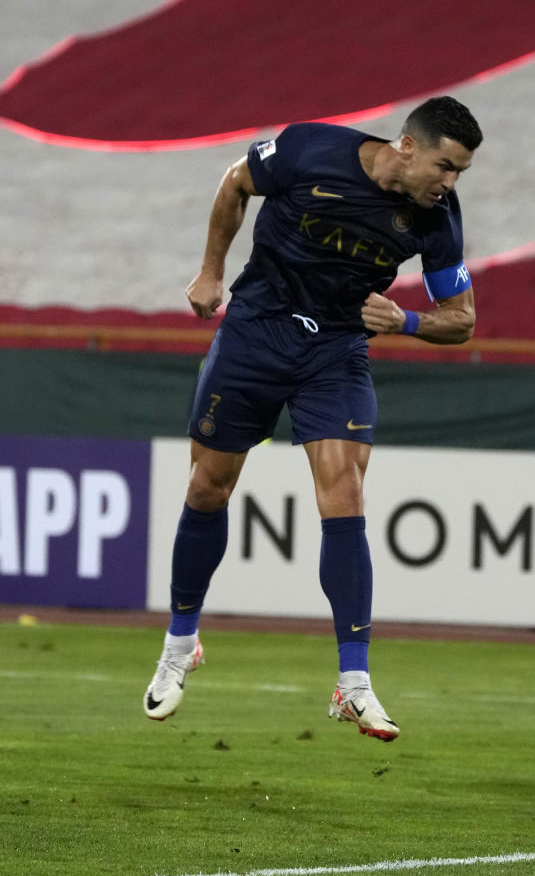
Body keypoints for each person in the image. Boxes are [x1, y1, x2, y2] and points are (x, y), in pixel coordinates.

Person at [143, 96, 483, 741]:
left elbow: (462, 319)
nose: (450, 183)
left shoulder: (437, 219)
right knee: (206, 488)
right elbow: (236, 181)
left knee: (345, 492)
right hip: (255, 333)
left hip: (334, 351)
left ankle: (353, 684)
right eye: (446, 166)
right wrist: (212, 270)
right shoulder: (310, 149)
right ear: (408, 146)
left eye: (460, 173)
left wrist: (406, 321)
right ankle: (179, 644)